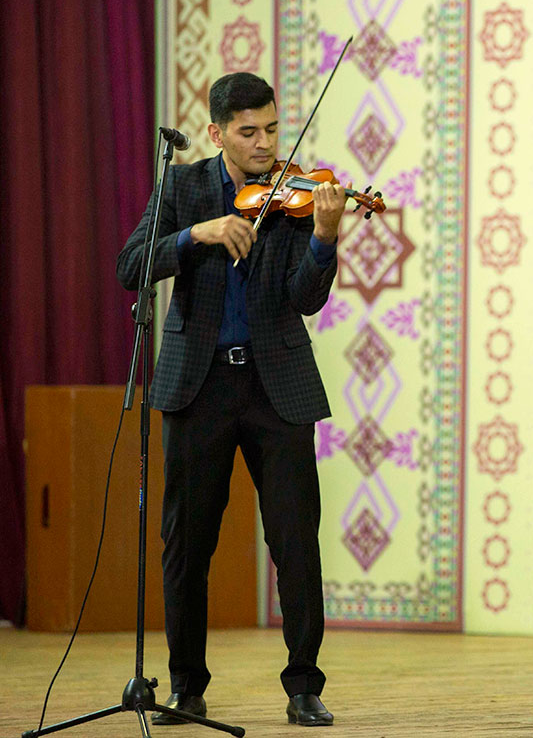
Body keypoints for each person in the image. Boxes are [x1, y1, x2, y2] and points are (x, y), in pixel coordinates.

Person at [116, 72, 346, 727]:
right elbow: (131, 266)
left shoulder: (297, 194)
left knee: (295, 541)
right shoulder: (183, 188)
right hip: (199, 385)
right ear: (217, 134)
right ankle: (186, 687)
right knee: (186, 545)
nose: (265, 143)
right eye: (249, 132)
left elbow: (305, 298)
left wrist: (324, 237)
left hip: (278, 387)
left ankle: (304, 686)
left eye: (272, 128)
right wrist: (198, 236)